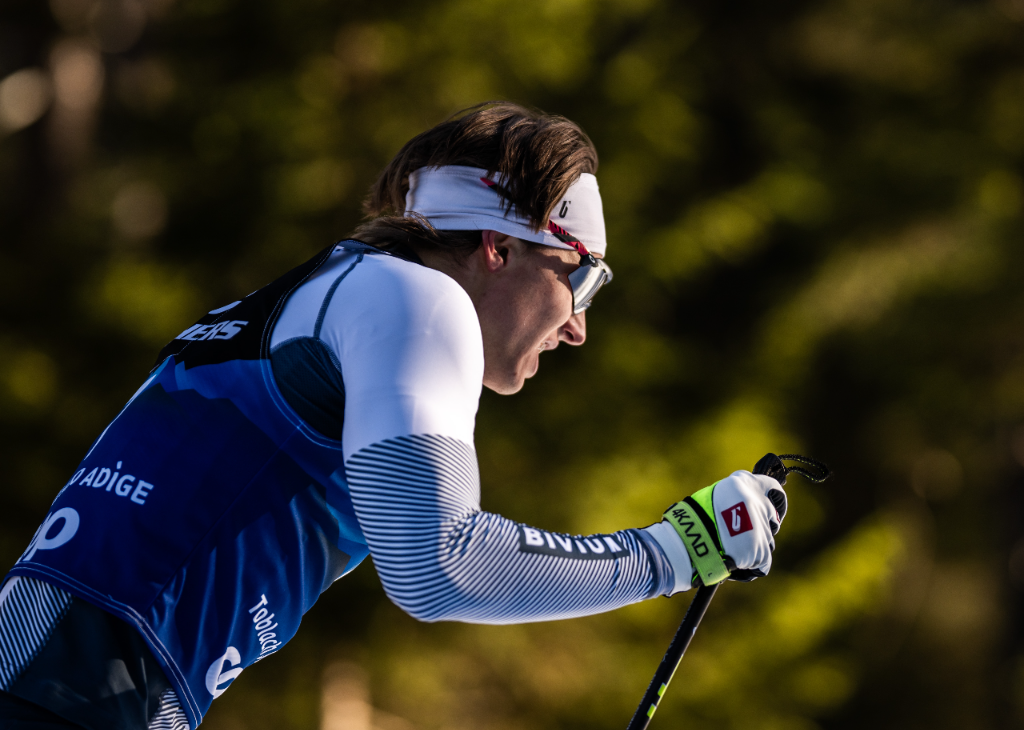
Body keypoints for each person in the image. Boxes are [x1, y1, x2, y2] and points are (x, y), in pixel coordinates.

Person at [0, 102, 788, 729]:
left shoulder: (344, 289)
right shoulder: (419, 298)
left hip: (74, 677)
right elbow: (439, 567)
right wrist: (675, 551)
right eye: (581, 278)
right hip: (73, 685)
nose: (578, 326)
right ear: (500, 246)